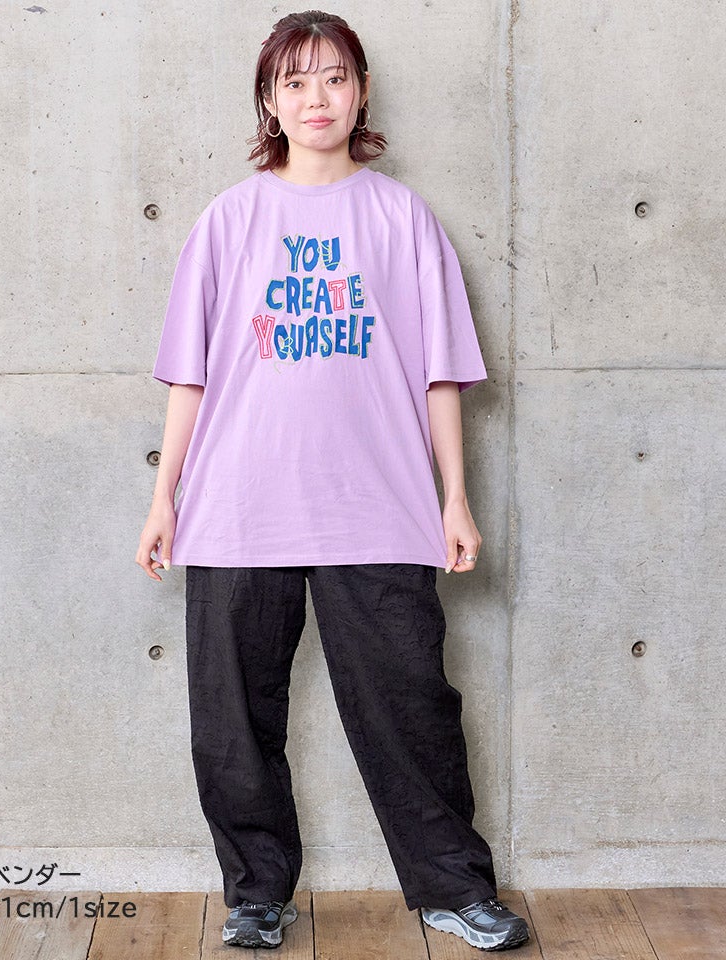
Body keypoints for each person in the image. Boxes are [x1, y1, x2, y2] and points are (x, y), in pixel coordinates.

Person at [135, 10, 530, 953]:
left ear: (361, 93)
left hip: (378, 507)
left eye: (335, 77)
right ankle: (256, 895)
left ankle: (453, 889)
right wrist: (164, 497)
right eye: (296, 81)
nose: (317, 97)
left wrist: (454, 496)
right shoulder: (229, 220)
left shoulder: (401, 218)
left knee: (412, 710)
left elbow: (439, 374)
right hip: (238, 508)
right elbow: (191, 375)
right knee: (234, 720)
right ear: (270, 102)